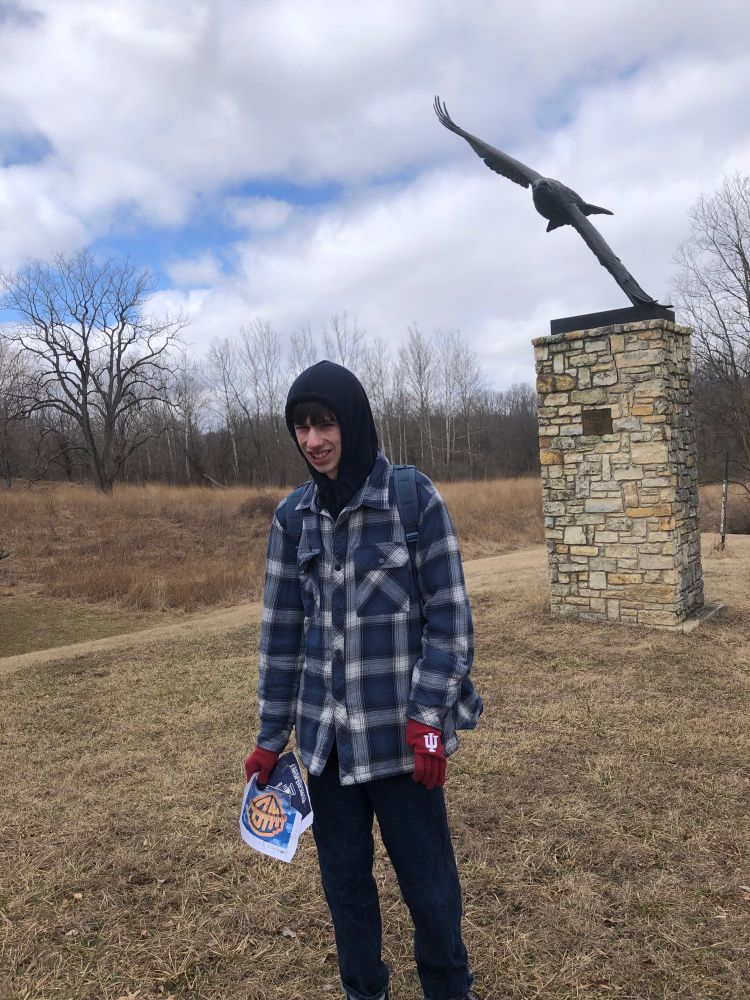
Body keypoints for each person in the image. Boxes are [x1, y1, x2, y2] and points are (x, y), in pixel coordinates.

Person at [244, 360, 482, 1000]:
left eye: (324, 424)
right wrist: (271, 736)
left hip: (402, 748)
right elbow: (280, 635)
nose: (313, 441)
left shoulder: (413, 500)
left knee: (430, 890)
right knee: (345, 891)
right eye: (301, 427)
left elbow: (450, 621)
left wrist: (428, 721)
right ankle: (364, 990)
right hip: (325, 750)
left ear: (352, 421)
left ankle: (447, 989)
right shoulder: (292, 518)